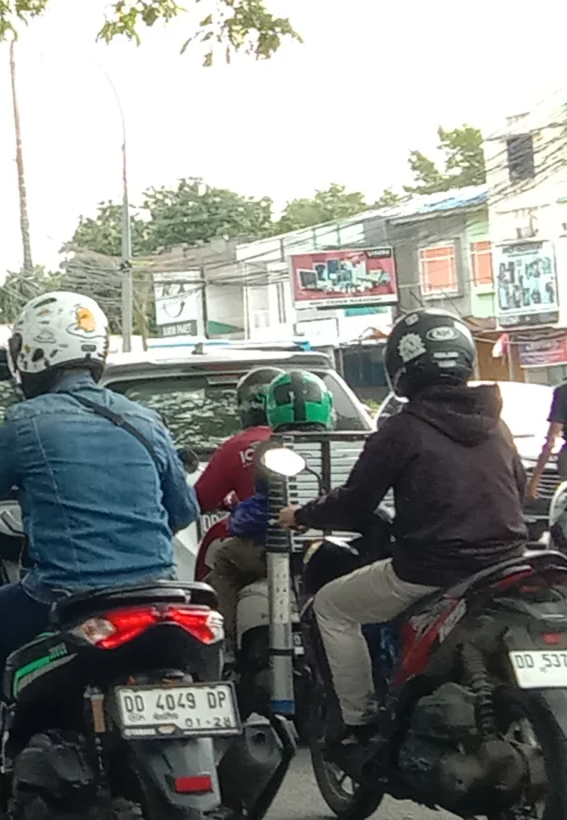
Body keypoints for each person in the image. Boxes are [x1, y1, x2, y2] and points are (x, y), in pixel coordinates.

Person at [0, 291, 194, 818]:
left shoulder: (27, 422)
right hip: (159, 593)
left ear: (32, 354)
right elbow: (182, 510)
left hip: (69, 597)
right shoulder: (145, 420)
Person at [282, 310, 527, 758]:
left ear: (401, 364)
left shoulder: (403, 428)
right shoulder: (498, 425)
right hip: (507, 564)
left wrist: (301, 514)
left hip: (432, 569)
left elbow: (355, 503)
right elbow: (520, 489)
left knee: (330, 609)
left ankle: (357, 722)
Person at [194, 369, 332, 632]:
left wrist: (236, 518)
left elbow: (206, 500)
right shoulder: (346, 446)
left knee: (225, 559)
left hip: (278, 549)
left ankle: (228, 648)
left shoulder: (267, 449)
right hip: (333, 548)